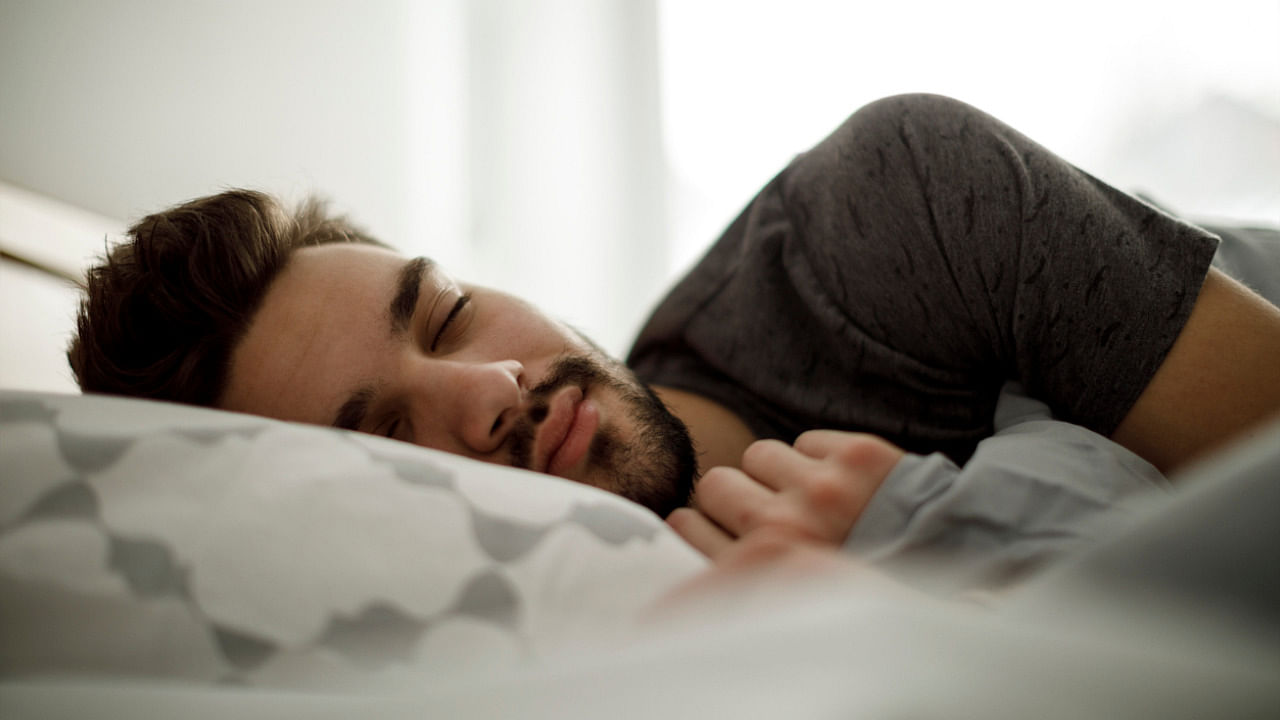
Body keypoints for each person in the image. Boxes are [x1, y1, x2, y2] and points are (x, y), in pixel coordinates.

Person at [68, 94, 1280, 576]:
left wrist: (965, 539)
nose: (491, 385)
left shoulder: (885, 210)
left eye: (444, 315)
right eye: (387, 436)